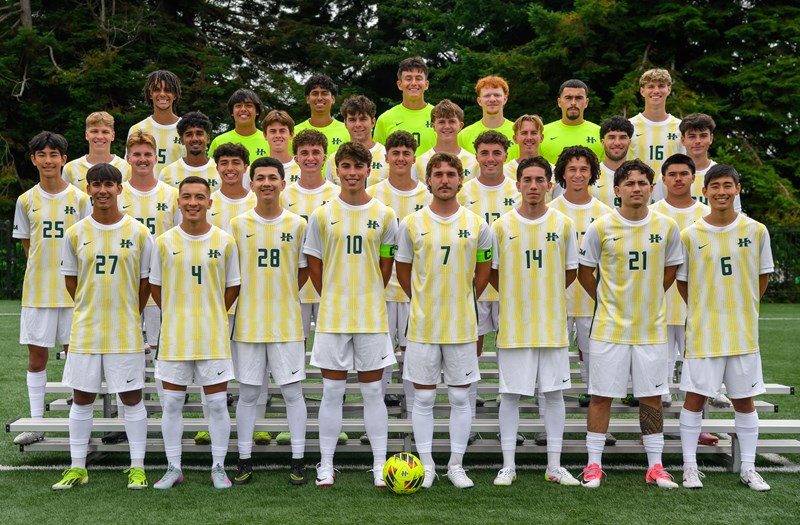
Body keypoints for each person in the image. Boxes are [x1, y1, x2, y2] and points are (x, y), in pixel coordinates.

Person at [577, 159, 682, 489]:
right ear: (617, 190)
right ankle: (593, 465)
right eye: (630, 183)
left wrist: (649, 297)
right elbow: (584, 272)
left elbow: (670, 271)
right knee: (600, 396)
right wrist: (608, 300)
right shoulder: (601, 226)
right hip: (609, 328)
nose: (637, 188)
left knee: (651, 397)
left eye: (643, 183)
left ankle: (656, 466)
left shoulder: (666, 227)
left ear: (652, 188)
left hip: (651, 327)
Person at [52, 163, 152, 490]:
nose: (102, 190)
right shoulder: (75, 233)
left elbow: (145, 283)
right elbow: (71, 282)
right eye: (96, 185)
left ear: (120, 189)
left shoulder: (138, 232)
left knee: (132, 398)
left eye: (109, 184)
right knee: (82, 399)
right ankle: (78, 467)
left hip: (124, 330)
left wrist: (128, 312)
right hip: (85, 329)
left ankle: (137, 467)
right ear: (89, 190)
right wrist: (90, 307)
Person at [303, 142, 398, 487]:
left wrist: (366, 291)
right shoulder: (322, 214)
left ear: (368, 170)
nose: (352, 173)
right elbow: (314, 263)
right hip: (332, 318)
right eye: (346, 166)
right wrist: (334, 295)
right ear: (337, 170)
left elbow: (386, 265)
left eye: (358, 166)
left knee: (373, 394)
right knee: (331, 392)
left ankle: (379, 466)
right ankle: (326, 464)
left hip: (372, 316)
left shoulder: (385, 214)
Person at [396, 152, 492, 489]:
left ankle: (455, 465)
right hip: (423, 326)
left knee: (459, 398)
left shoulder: (477, 224)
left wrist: (463, 299)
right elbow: (404, 271)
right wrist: (425, 300)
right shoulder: (412, 223)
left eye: (451, 174)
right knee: (422, 399)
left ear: (461, 179)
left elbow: (483, 273)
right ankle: (427, 466)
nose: (445, 180)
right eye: (438, 174)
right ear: (429, 180)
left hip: (462, 325)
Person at [677, 164, 773, 491]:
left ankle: (748, 467)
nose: (721, 192)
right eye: (715, 186)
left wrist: (741, 307)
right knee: (694, 399)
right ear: (704, 191)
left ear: (738, 189)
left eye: (727, 186)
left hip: (742, 332)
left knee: (744, 401)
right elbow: (683, 283)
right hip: (704, 332)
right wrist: (707, 310)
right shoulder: (690, 234)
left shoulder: (756, 230)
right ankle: (690, 468)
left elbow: (762, 278)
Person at [490, 156, 580, 487]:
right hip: (514, 325)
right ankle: (508, 465)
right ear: (517, 184)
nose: (532, 186)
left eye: (539, 180)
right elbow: (494, 274)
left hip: (551, 324)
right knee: (510, 395)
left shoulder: (563, 224)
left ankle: (554, 466)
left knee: (554, 395)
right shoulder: (501, 226)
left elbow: (571, 271)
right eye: (526, 180)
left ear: (549, 184)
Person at [149, 176, 241, 490]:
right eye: (186, 196)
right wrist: (179, 313)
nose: (192, 202)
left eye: (199, 197)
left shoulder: (225, 241)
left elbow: (232, 287)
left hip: (213, 336)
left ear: (209, 202)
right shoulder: (163, 242)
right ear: (178, 201)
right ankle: (173, 467)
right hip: (175, 337)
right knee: (172, 404)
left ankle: (218, 466)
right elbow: (155, 288)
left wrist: (209, 313)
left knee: (216, 404)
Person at [229, 156, 309, 485]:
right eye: (259, 177)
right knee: (248, 394)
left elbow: (303, 270)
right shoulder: (237, 224)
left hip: (287, 322)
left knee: (293, 393)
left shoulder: (297, 224)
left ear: (282, 183)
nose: (266, 183)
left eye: (272, 177)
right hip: (247, 323)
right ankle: (244, 458)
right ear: (251, 184)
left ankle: (299, 459)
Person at [13, 131, 90, 446]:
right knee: (37, 358)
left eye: (54, 154)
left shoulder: (79, 198)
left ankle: (78, 418)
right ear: (33, 159)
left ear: (63, 159)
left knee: (77, 357)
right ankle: (37, 422)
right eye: (42, 154)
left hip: (75, 293)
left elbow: (88, 243)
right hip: (38, 293)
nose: (48, 160)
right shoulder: (26, 199)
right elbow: (29, 247)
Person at [549, 147, 613, 439]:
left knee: (596, 365)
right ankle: (549, 429)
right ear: (562, 172)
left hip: (592, 300)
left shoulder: (604, 213)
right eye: (572, 169)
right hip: (556, 301)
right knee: (553, 363)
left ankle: (599, 430)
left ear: (593, 173)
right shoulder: (551, 211)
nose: (577, 175)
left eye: (584, 169)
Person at [367, 130, 431, 420]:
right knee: (380, 357)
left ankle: (411, 419)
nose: (401, 158)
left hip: (414, 288)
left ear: (414, 158)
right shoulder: (373, 194)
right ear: (386, 157)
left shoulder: (427, 195)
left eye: (406, 153)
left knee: (412, 356)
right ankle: (377, 419)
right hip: (379, 288)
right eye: (396, 153)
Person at [459, 131, 520, 439]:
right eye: (485, 153)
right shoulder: (464, 191)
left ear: (506, 155)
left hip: (512, 283)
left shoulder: (519, 188)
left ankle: (509, 421)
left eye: (497, 152)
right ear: (476, 156)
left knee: (510, 352)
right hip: (476, 281)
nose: (491, 158)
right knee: (474, 349)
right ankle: (467, 420)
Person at [650, 154, 710, 413]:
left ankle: (698, 430)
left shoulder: (706, 214)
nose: (678, 179)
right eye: (672, 175)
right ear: (663, 179)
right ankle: (652, 433)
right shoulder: (652, 214)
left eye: (683, 174)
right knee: (657, 380)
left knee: (696, 370)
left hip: (694, 303)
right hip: (660, 302)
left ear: (693, 178)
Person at [677, 113, 741, 213]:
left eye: (703, 136)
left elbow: (734, 216)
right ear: (682, 140)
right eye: (692, 136)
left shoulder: (726, 175)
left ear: (711, 138)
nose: (698, 141)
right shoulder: (670, 176)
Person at [374, 56, 436, 155]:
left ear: (426, 84)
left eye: (418, 78)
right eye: (408, 78)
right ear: (399, 84)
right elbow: (378, 157)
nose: (414, 83)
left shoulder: (439, 116)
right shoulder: (385, 119)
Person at [628, 68, 683, 178]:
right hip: (638, 191)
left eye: (661, 86)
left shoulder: (680, 127)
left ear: (669, 89)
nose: (656, 91)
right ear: (642, 91)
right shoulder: (630, 126)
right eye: (651, 86)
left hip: (670, 192)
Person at [127, 69, 183, 175]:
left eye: (167, 90)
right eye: (157, 90)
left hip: (178, 191)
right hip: (145, 191)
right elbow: (130, 167)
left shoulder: (186, 129)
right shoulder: (137, 129)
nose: (162, 94)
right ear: (150, 94)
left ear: (175, 95)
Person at [324, 95, 387, 186]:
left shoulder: (387, 156)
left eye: (363, 119)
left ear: (373, 122)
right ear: (345, 123)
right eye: (352, 120)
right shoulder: (334, 159)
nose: (358, 124)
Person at [63, 111, 130, 194]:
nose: (100, 137)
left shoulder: (127, 168)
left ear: (112, 136)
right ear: (87, 135)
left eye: (105, 132)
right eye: (94, 131)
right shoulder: (70, 168)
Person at [539, 79, 603, 165]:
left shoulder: (600, 133)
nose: (573, 103)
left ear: (586, 102)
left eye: (578, 98)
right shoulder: (542, 133)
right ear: (559, 102)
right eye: (568, 98)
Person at [414, 99, 479, 182]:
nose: (447, 126)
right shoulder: (419, 163)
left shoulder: (474, 162)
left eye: (452, 121)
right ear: (433, 126)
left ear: (460, 126)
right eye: (441, 122)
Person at [159, 111, 221, 191]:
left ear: (208, 138)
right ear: (182, 140)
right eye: (189, 134)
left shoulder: (221, 171)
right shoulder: (167, 173)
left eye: (199, 133)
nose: (194, 139)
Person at [458, 76, 516, 156]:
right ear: (479, 101)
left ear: (505, 99)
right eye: (487, 96)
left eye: (497, 95)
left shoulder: (519, 133)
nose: (492, 99)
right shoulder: (463, 136)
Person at [208, 88, 270, 163]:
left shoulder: (269, 140)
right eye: (238, 106)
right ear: (232, 112)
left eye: (248, 105)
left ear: (257, 111)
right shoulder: (218, 142)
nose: (243, 109)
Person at [294, 74, 350, 156]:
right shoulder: (294, 133)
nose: (319, 98)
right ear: (307, 99)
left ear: (333, 99)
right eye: (315, 93)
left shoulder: (347, 131)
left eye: (324, 93)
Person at [593, 116, 634, 209]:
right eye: (611, 137)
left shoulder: (640, 176)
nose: (617, 142)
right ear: (602, 142)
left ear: (629, 142)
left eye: (622, 137)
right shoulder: (590, 175)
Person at [262, 109, 301, 183]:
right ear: (265, 135)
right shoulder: (254, 169)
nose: (278, 135)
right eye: (273, 131)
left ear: (291, 135)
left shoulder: (303, 168)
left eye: (282, 131)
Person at [504, 114, 545, 182]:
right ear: (515, 139)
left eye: (533, 133)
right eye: (524, 133)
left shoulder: (552, 172)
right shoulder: (505, 172)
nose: (529, 137)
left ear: (541, 138)